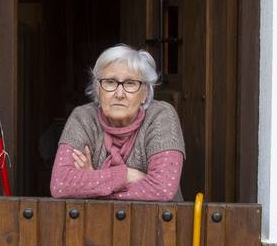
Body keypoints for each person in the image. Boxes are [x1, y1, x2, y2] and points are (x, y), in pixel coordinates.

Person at [49, 44, 185, 201]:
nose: (119, 94)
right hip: (97, 223)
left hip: (157, 223)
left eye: (130, 83)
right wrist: (127, 174)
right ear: (98, 89)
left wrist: (93, 182)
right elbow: (60, 184)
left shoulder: (161, 115)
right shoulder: (83, 117)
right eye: (110, 82)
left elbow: (162, 189)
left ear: (145, 93)